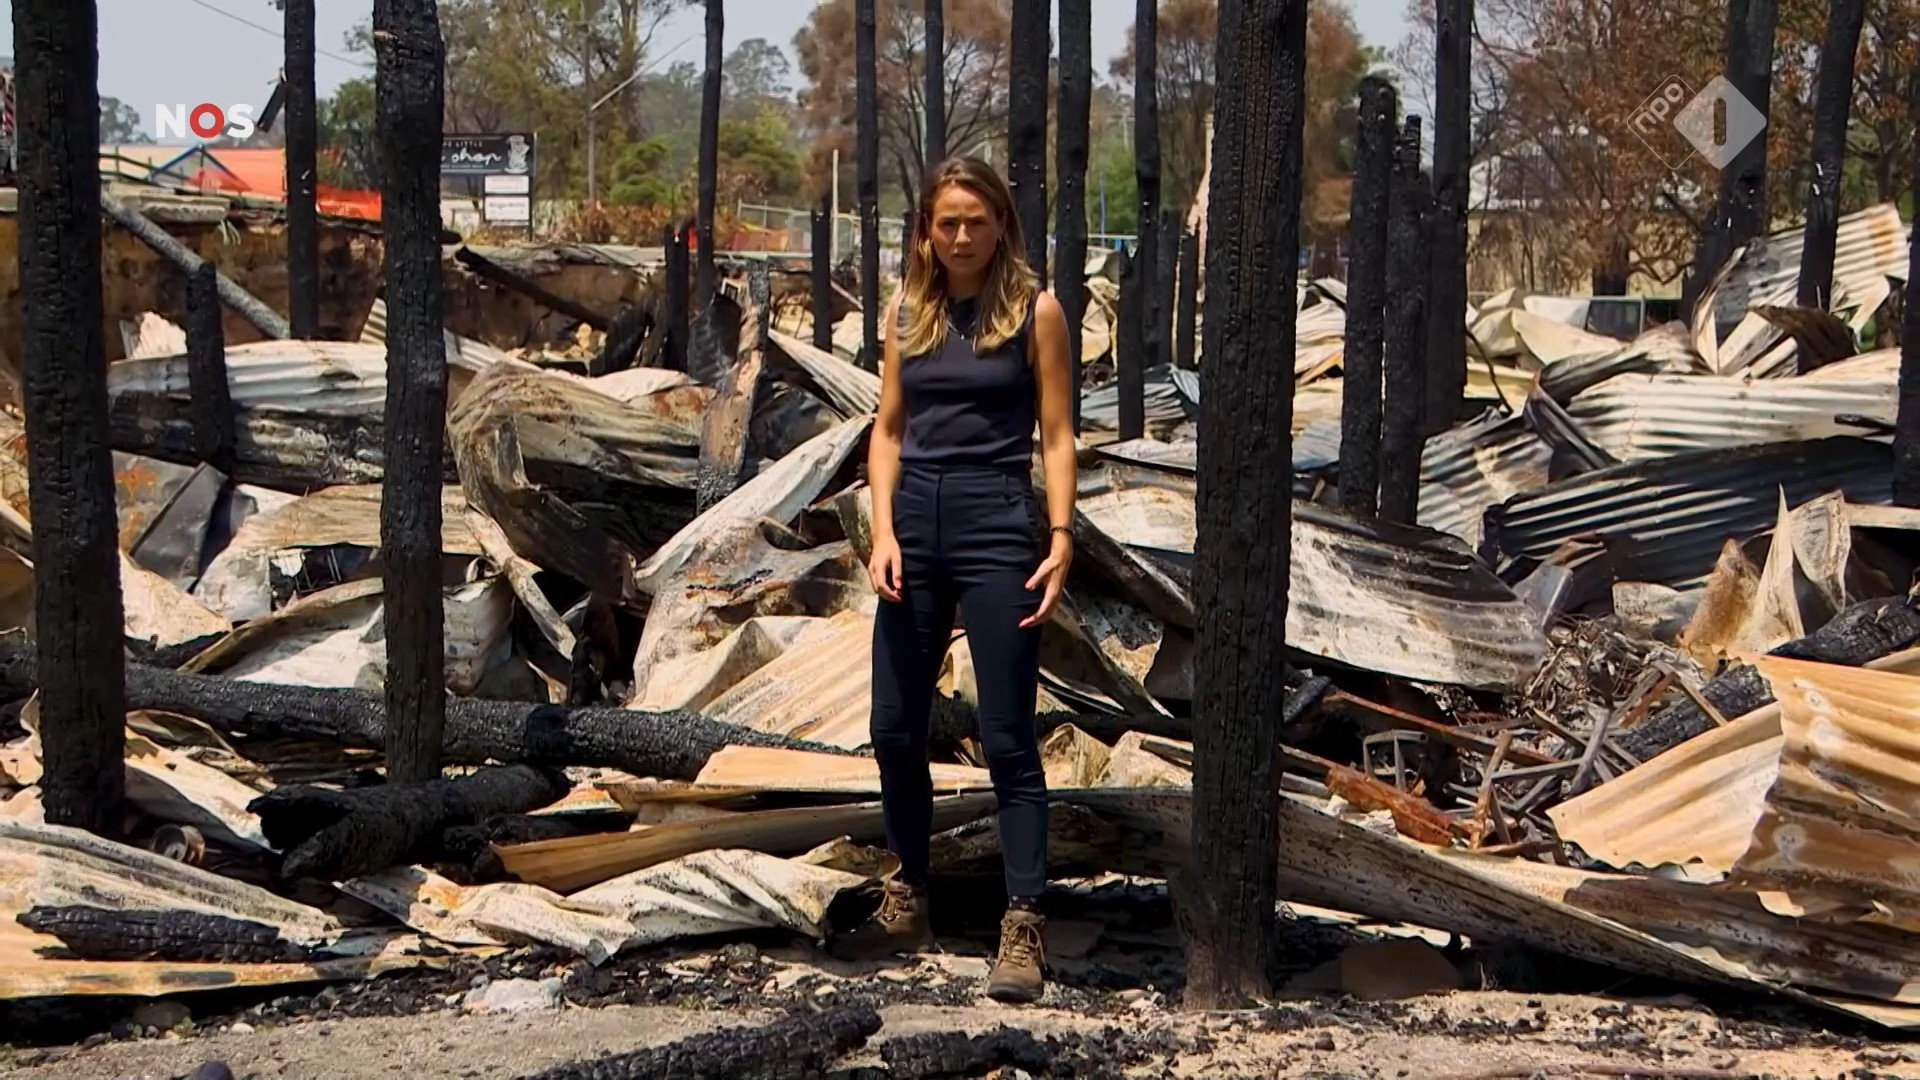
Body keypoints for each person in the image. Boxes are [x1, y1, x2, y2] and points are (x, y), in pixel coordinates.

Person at [831, 156, 1076, 1004]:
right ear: (926, 232)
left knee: (1006, 734)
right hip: (914, 525)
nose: (963, 236)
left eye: (976, 220)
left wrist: (1060, 535)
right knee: (894, 727)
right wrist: (882, 531)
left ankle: (1024, 922)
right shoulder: (908, 311)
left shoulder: (1036, 311)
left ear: (1001, 224)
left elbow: (1056, 434)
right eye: (948, 223)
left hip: (996, 520)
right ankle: (908, 895)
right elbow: (889, 429)